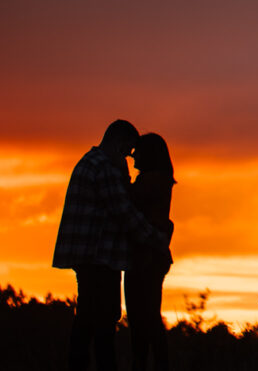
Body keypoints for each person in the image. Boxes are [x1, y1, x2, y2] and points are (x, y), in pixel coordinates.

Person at [53, 120, 167, 371]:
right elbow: (124, 212)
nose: (129, 157)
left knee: (86, 318)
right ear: (119, 142)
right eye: (127, 151)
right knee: (103, 322)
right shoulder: (105, 168)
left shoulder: (89, 161)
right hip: (99, 257)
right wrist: (157, 239)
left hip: (88, 256)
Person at [125, 132, 176, 371]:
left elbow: (127, 200)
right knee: (149, 317)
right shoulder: (159, 179)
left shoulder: (152, 181)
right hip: (151, 257)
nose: (133, 156)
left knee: (143, 318)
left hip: (146, 258)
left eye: (138, 151)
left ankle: (145, 364)